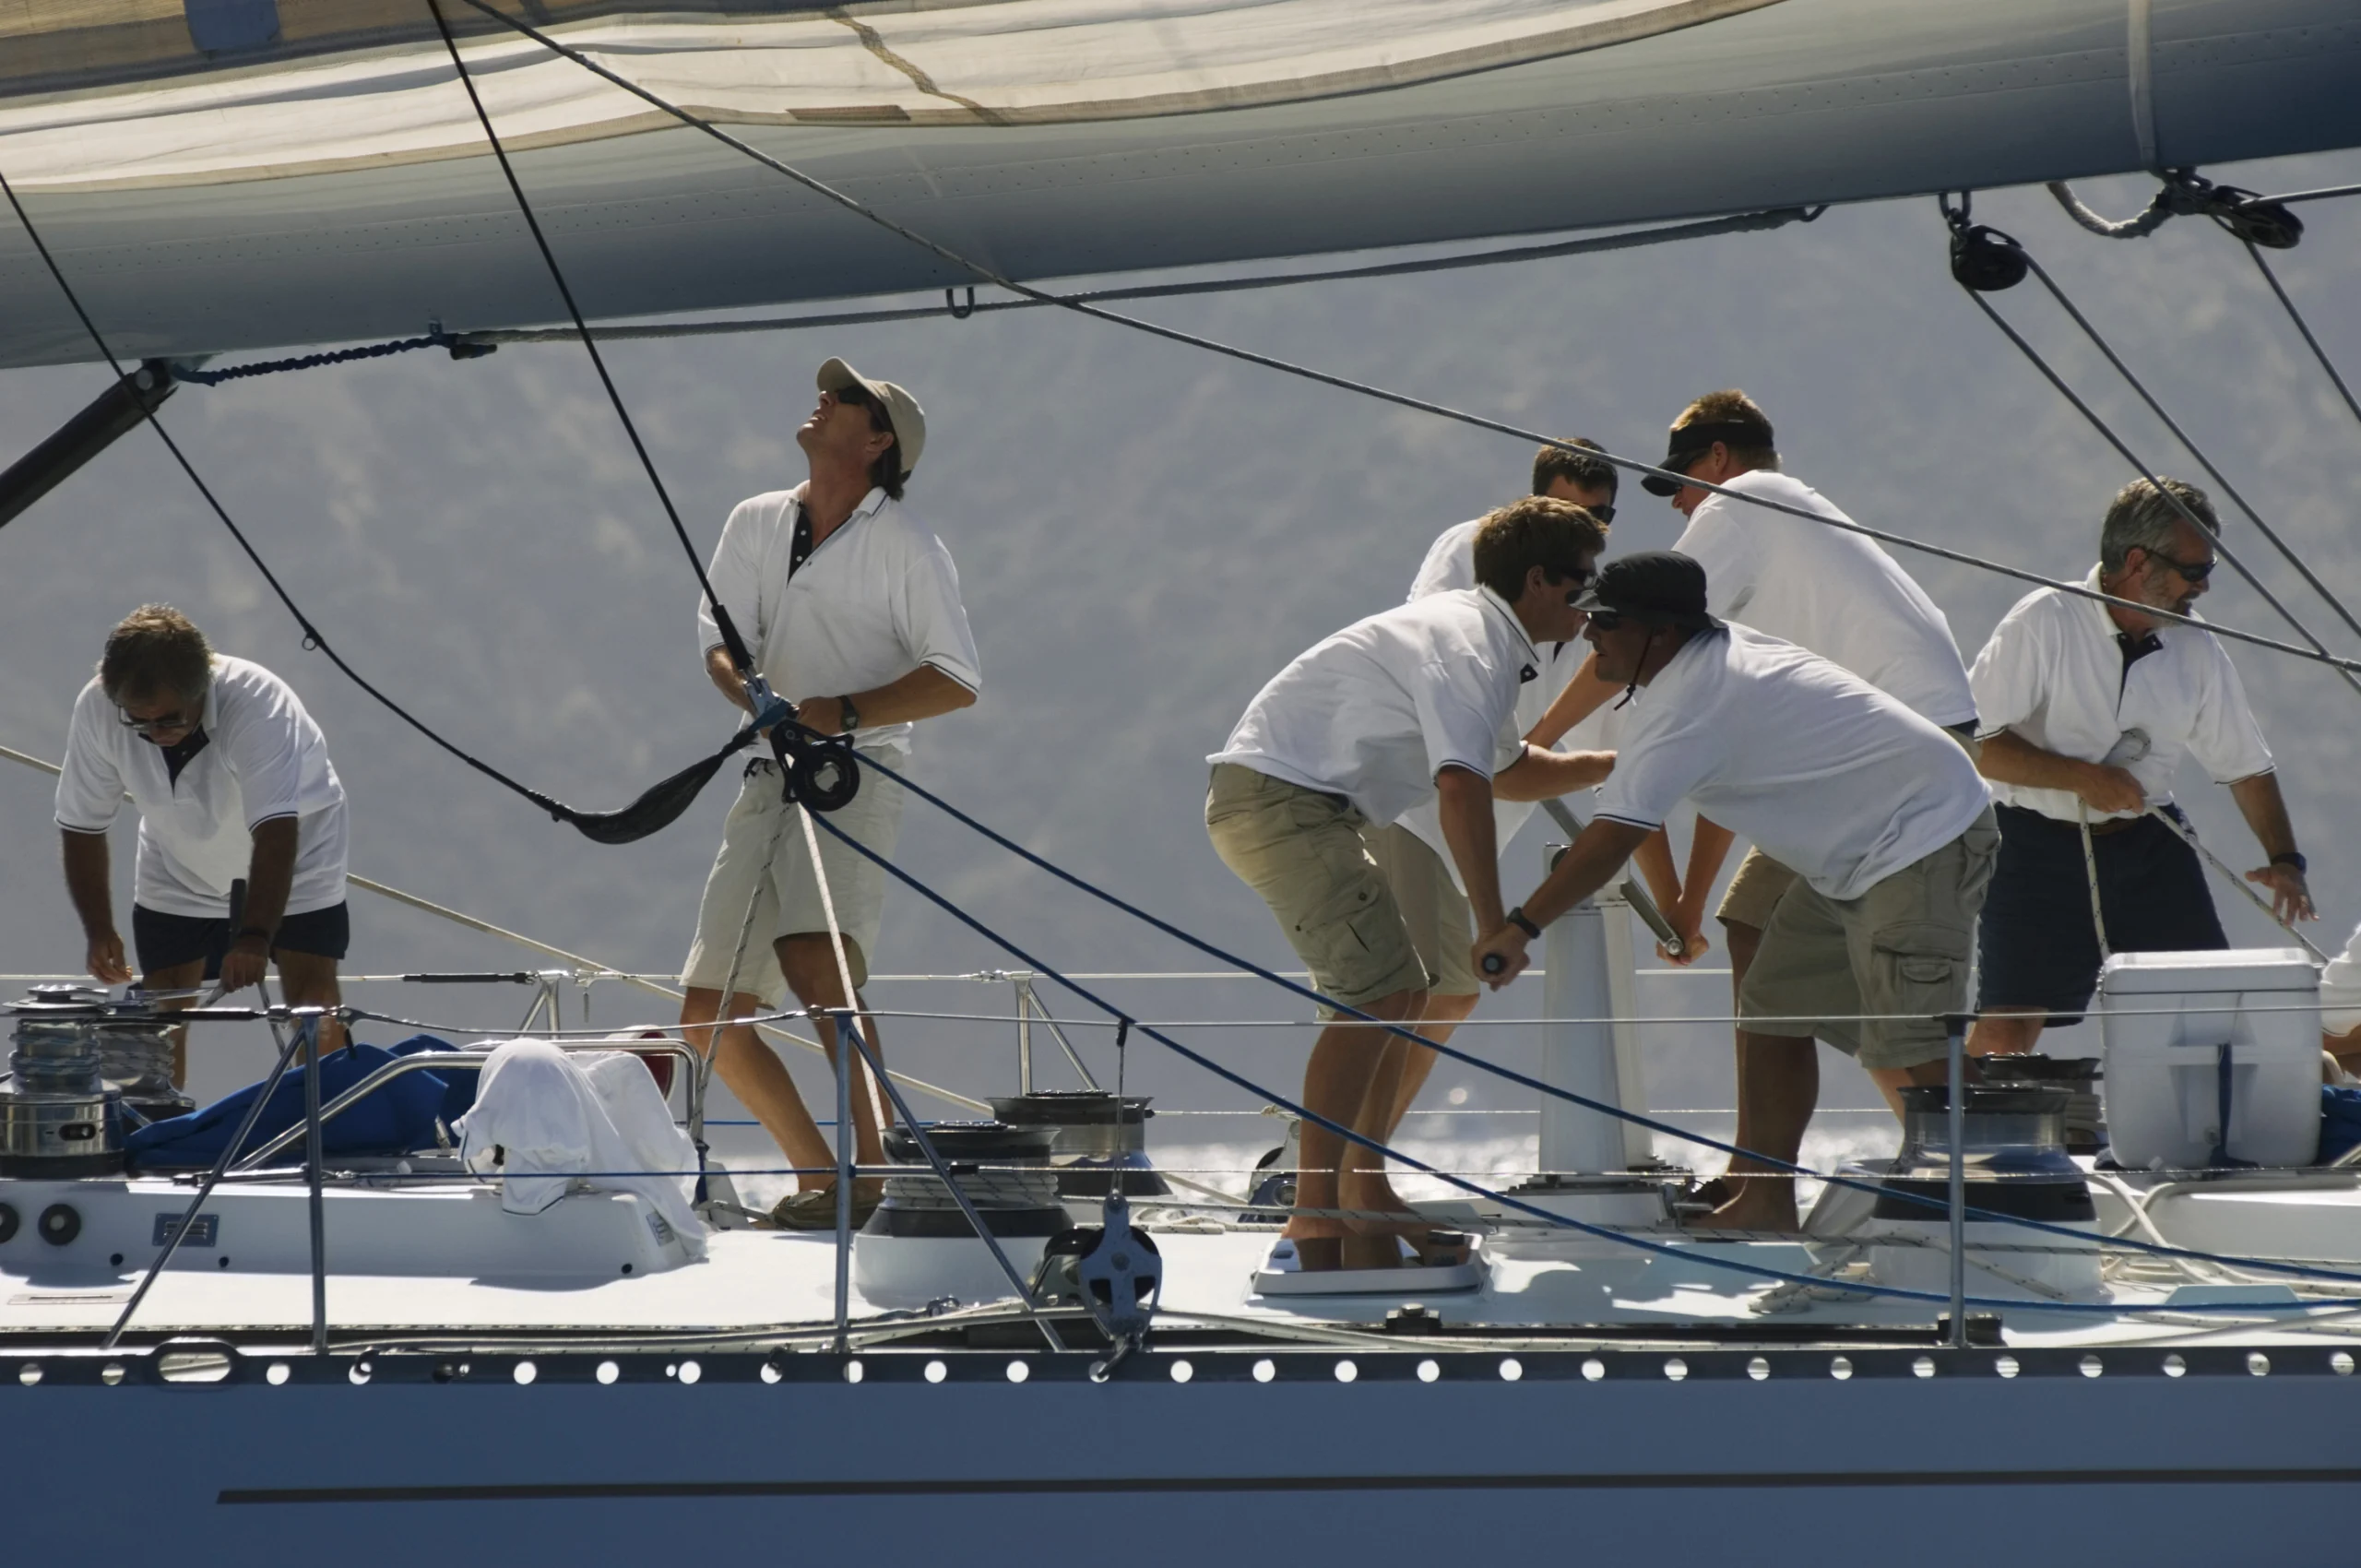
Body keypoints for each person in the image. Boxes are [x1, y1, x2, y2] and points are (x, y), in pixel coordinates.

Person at [1542, 392, 1978, 1222]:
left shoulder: (1744, 504)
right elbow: (1739, 777)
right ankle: (1762, 1183)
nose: (1677, 504)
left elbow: (1635, 637)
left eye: (1678, 485)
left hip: (1902, 769)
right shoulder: (1787, 543)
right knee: (1754, 931)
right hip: (1899, 755)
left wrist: (1527, 743)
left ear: (1716, 460)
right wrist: (1689, 905)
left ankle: (1960, 1186)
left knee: (1894, 1008)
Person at [1473, 552, 1998, 1234]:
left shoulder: (1690, 705)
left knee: (1911, 1040)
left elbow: (1609, 841)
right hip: (1853, 860)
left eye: (1604, 620)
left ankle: (2001, 1205)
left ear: (1659, 634)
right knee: (1772, 1009)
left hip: (1925, 837)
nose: (1586, 631)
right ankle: (1765, 1199)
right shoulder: (1703, 665)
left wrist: (1518, 930)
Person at [1207, 497, 1609, 1270]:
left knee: (1400, 990)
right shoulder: (1470, 646)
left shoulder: (1485, 637)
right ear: (1537, 581)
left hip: (1297, 805)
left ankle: (1358, 1192)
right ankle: (1315, 1212)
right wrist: (1496, 923)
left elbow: (1511, 769)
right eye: (1580, 585)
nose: (1588, 606)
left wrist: (1625, 769)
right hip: (1283, 803)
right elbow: (1461, 788)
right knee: (1382, 992)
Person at [678, 358, 981, 1230]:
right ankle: (824, 1180)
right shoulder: (755, 519)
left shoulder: (909, 545)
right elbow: (718, 644)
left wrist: (842, 712)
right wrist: (754, 694)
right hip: (769, 771)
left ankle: (876, 1178)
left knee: (820, 963)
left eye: (846, 399)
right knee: (708, 1018)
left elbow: (956, 679)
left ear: (877, 440)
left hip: (858, 772)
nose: (824, 400)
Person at [1378, 441, 1677, 1134]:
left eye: (1604, 518)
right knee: (1417, 994)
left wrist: (1675, 911)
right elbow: (1431, 650)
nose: (1592, 530)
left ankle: (1347, 1158)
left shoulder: (1588, 623)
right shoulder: (1476, 550)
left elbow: (1625, 771)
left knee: (1441, 997)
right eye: (1577, 512)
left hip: (1469, 833)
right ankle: (1326, 1164)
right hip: (1416, 810)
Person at [1965, 477, 2312, 1057]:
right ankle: (1969, 1144)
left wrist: (2285, 860)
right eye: (2192, 571)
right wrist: (2081, 777)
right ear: (2136, 562)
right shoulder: (2045, 620)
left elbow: (2245, 764)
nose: (2201, 588)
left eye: (2208, 572)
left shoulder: (2196, 646)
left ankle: (2219, 1137)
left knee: (2211, 1012)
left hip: (2149, 845)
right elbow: (1974, 742)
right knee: (2007, 1028)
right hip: (2035, 847)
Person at [56, 604, 351, 1078]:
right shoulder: (98, 707)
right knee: (162, 1011)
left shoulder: (257, 705)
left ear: (202, 687)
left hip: (298, 857)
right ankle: (159, 1135)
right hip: (177, 860)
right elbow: (81, 823)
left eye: (169, 720)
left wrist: (254, 938)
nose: (154, 734)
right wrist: (98, 928)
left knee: (312, 1004)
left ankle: (331, 1122)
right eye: (139, 722)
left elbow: (275, 833)